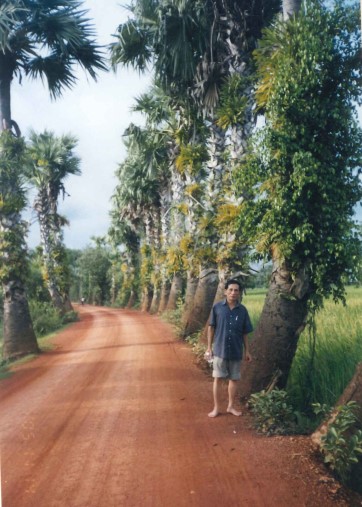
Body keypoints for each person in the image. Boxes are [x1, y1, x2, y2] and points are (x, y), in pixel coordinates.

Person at [206, 279, 252, 418]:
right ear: (225, 291)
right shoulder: (217, 307)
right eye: (230, 290)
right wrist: (209, 348)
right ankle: (216, 408)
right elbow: (211, 328)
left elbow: (245, 332)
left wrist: (247, 351)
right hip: (220, 350)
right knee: (218, 379)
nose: (233, 293)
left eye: (236, 290)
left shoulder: (243, 311)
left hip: (236, 351)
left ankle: (231, 406)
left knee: (234, 379)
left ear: (239, 293)